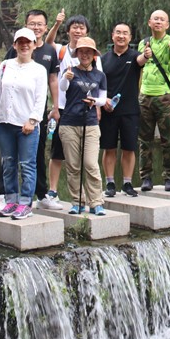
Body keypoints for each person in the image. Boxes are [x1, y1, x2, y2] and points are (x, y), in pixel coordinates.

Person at [0, 9, 60, 208]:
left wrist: (55, 107)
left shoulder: (49, 52)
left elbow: (52, 81)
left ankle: (38, 195)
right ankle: (4, 195)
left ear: (45, 27)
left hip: (34, 115)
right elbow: (0, 87)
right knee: (8, 159)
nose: (36, 27)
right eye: (32, 23)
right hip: (8, 117)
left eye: (40, 24)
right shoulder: (10, 58)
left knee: (34, 156)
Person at [44, 13, 103, 209]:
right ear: (68, 30)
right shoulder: (61, 50)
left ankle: (94, 200)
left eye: (81, 27)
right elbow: (47, 43)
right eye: (74, 27)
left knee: (89, 161)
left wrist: (97, 107)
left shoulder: (95, 60)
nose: (78, 31)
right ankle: (54, 190)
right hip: (63, 109)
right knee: (59, 153)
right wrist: (56, 23)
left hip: (87, 112)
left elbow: (99, 86)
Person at [0, 28, 48, 220]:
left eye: (28, 42)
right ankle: (11, 200)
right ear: (14, 45)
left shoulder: (39, 70)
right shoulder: (6, 65)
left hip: (26, 125)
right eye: (20, 42)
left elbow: (40, 98)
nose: (24, 45)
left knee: (27, 165)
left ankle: (25, 203)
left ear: (34, 45)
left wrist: (32, 120)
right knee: (8, 163)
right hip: (5, 122)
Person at [58, 36, 107, 214]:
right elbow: (62, 88)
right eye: (81, 51)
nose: (85, 55)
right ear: (77, 54)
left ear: (94, 55)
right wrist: (66, 78)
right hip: (69, 123)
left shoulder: (100, 75)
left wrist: (95, 101)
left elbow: (103, 99)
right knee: (73, 165)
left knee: (91, 164)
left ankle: (96, 202)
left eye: (88, 52)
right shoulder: (70, 71)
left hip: (91, 123)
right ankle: (77, 201)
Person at [100, 23, 147, 198]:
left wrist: (146, 55)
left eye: (125, 33)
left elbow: (142, 60)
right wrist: (103, 101)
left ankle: (127, 183)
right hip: (108, 110)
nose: (121, 36)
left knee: (129, 148)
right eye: (118, 33)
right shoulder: (103, 59)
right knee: (109, 148)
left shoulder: (135, 56)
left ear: (130, 37)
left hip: (130, 110)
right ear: (112, 35)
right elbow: (98, 84)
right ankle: (110, 183)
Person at [137, 9, 170, 192]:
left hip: (164, 96)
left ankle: (169, 176)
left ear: (167, 24)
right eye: (155, 19)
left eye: (162, 19)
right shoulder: (143, 43)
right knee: (144, 140)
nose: (158, 22)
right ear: (149, 22)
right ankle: (145, 177)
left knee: (167, 139)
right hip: (144, 96)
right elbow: (140, 66)